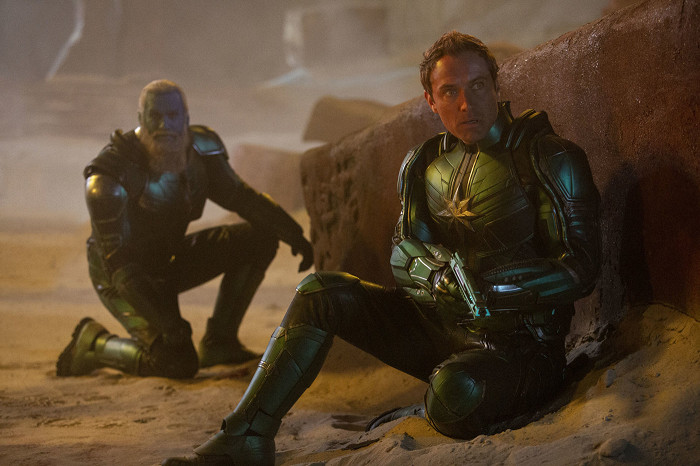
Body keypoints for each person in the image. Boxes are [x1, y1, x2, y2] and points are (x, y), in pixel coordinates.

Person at [162, 31, 600, 465]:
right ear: (431, 101)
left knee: (454, 394)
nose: (467, 104)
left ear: (496, 86)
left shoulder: (546, 157)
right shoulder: (424, 163)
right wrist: (434, 276)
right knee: (319, 293)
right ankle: (245, 435)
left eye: (478, 86)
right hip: (441, 328)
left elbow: (581, 266)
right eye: (450, 92)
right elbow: (403, 252)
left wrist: (494, 290)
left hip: (522, 348)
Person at [56, 79, 314, 379]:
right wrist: (169, 324)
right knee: (176, 363)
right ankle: (94, 345)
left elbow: (240, 197)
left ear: (186, 118)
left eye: (173, 115)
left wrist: (290, 231)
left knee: (259, 238)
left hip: (168, 258)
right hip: (122, 277)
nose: (164, 125)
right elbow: (119, 266)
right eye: (155, 116)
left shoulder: (201, 151)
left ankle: (220, 342)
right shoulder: (109, 176)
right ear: (140, 118)